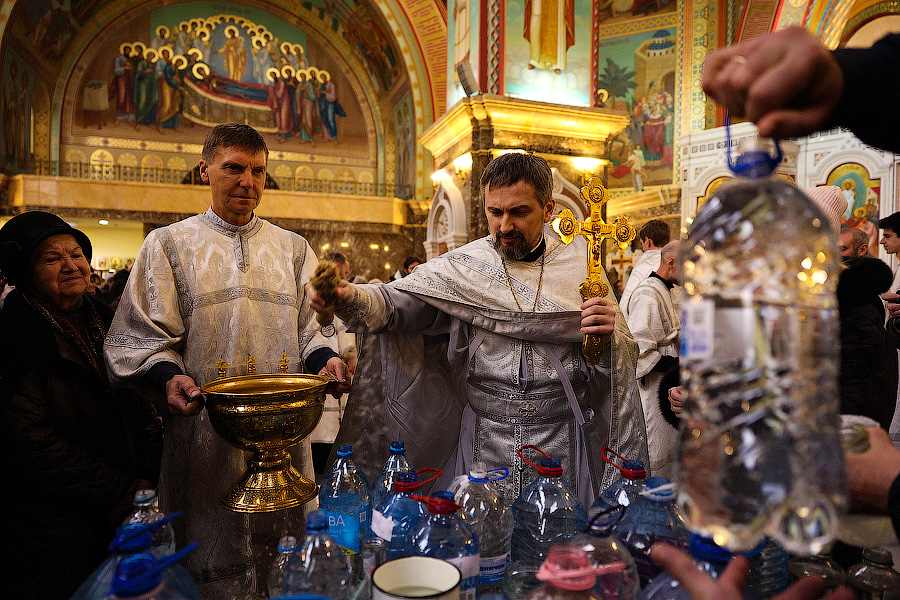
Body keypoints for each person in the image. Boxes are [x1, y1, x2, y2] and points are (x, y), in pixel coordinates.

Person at [308, 152, 648, 507]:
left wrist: (607, 342)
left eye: (519, 212)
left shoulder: (581, 265)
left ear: (548, 210)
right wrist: (349, 298)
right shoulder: (467, 267)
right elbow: (398, 306)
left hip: (561, 445)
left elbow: (614, 363)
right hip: (484, 442)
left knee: (551, 542)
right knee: (482, 543)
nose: (504, 226)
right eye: (495, 212)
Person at [104, 123, 350, 598]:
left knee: (283, 562)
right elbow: (136, 337)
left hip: (284, 434)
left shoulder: (296, 247)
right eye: (233, 168)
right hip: (205, 435)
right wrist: (168, 377)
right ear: (205, 171)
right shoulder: (167, 245)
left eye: (258, 171)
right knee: (210, 556)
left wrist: (324, 360)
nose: (248, 182)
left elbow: (316, 326)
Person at [0, 211, 162, 600]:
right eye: (52, 258)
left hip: (119, 508)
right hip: (49, 530)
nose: (71, 265)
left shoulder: (107, 320)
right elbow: (29, 440)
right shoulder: (14, 338)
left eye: (76, 254)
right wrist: (114, 493)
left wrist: (144, 473)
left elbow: (140, 401)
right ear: (24, 272)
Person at [625, 240, 681, 480]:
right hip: (655, 387)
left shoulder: (667, 289)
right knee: (655, 447)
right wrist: (680, 365)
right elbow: (639, 352)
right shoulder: (647, 294)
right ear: (672, 262)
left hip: (669, 385)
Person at [837, 227, 896, 429]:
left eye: (842, 249)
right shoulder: (854, 292)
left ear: (862, 250)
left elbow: (857, 374)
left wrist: (848, 424)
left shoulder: (855, 299)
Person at [619, 219, 671, 317]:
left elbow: (626, 306)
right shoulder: (675, 264)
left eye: (642, 243)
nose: (643, 248)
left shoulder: (643, 267)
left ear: (647, 241)